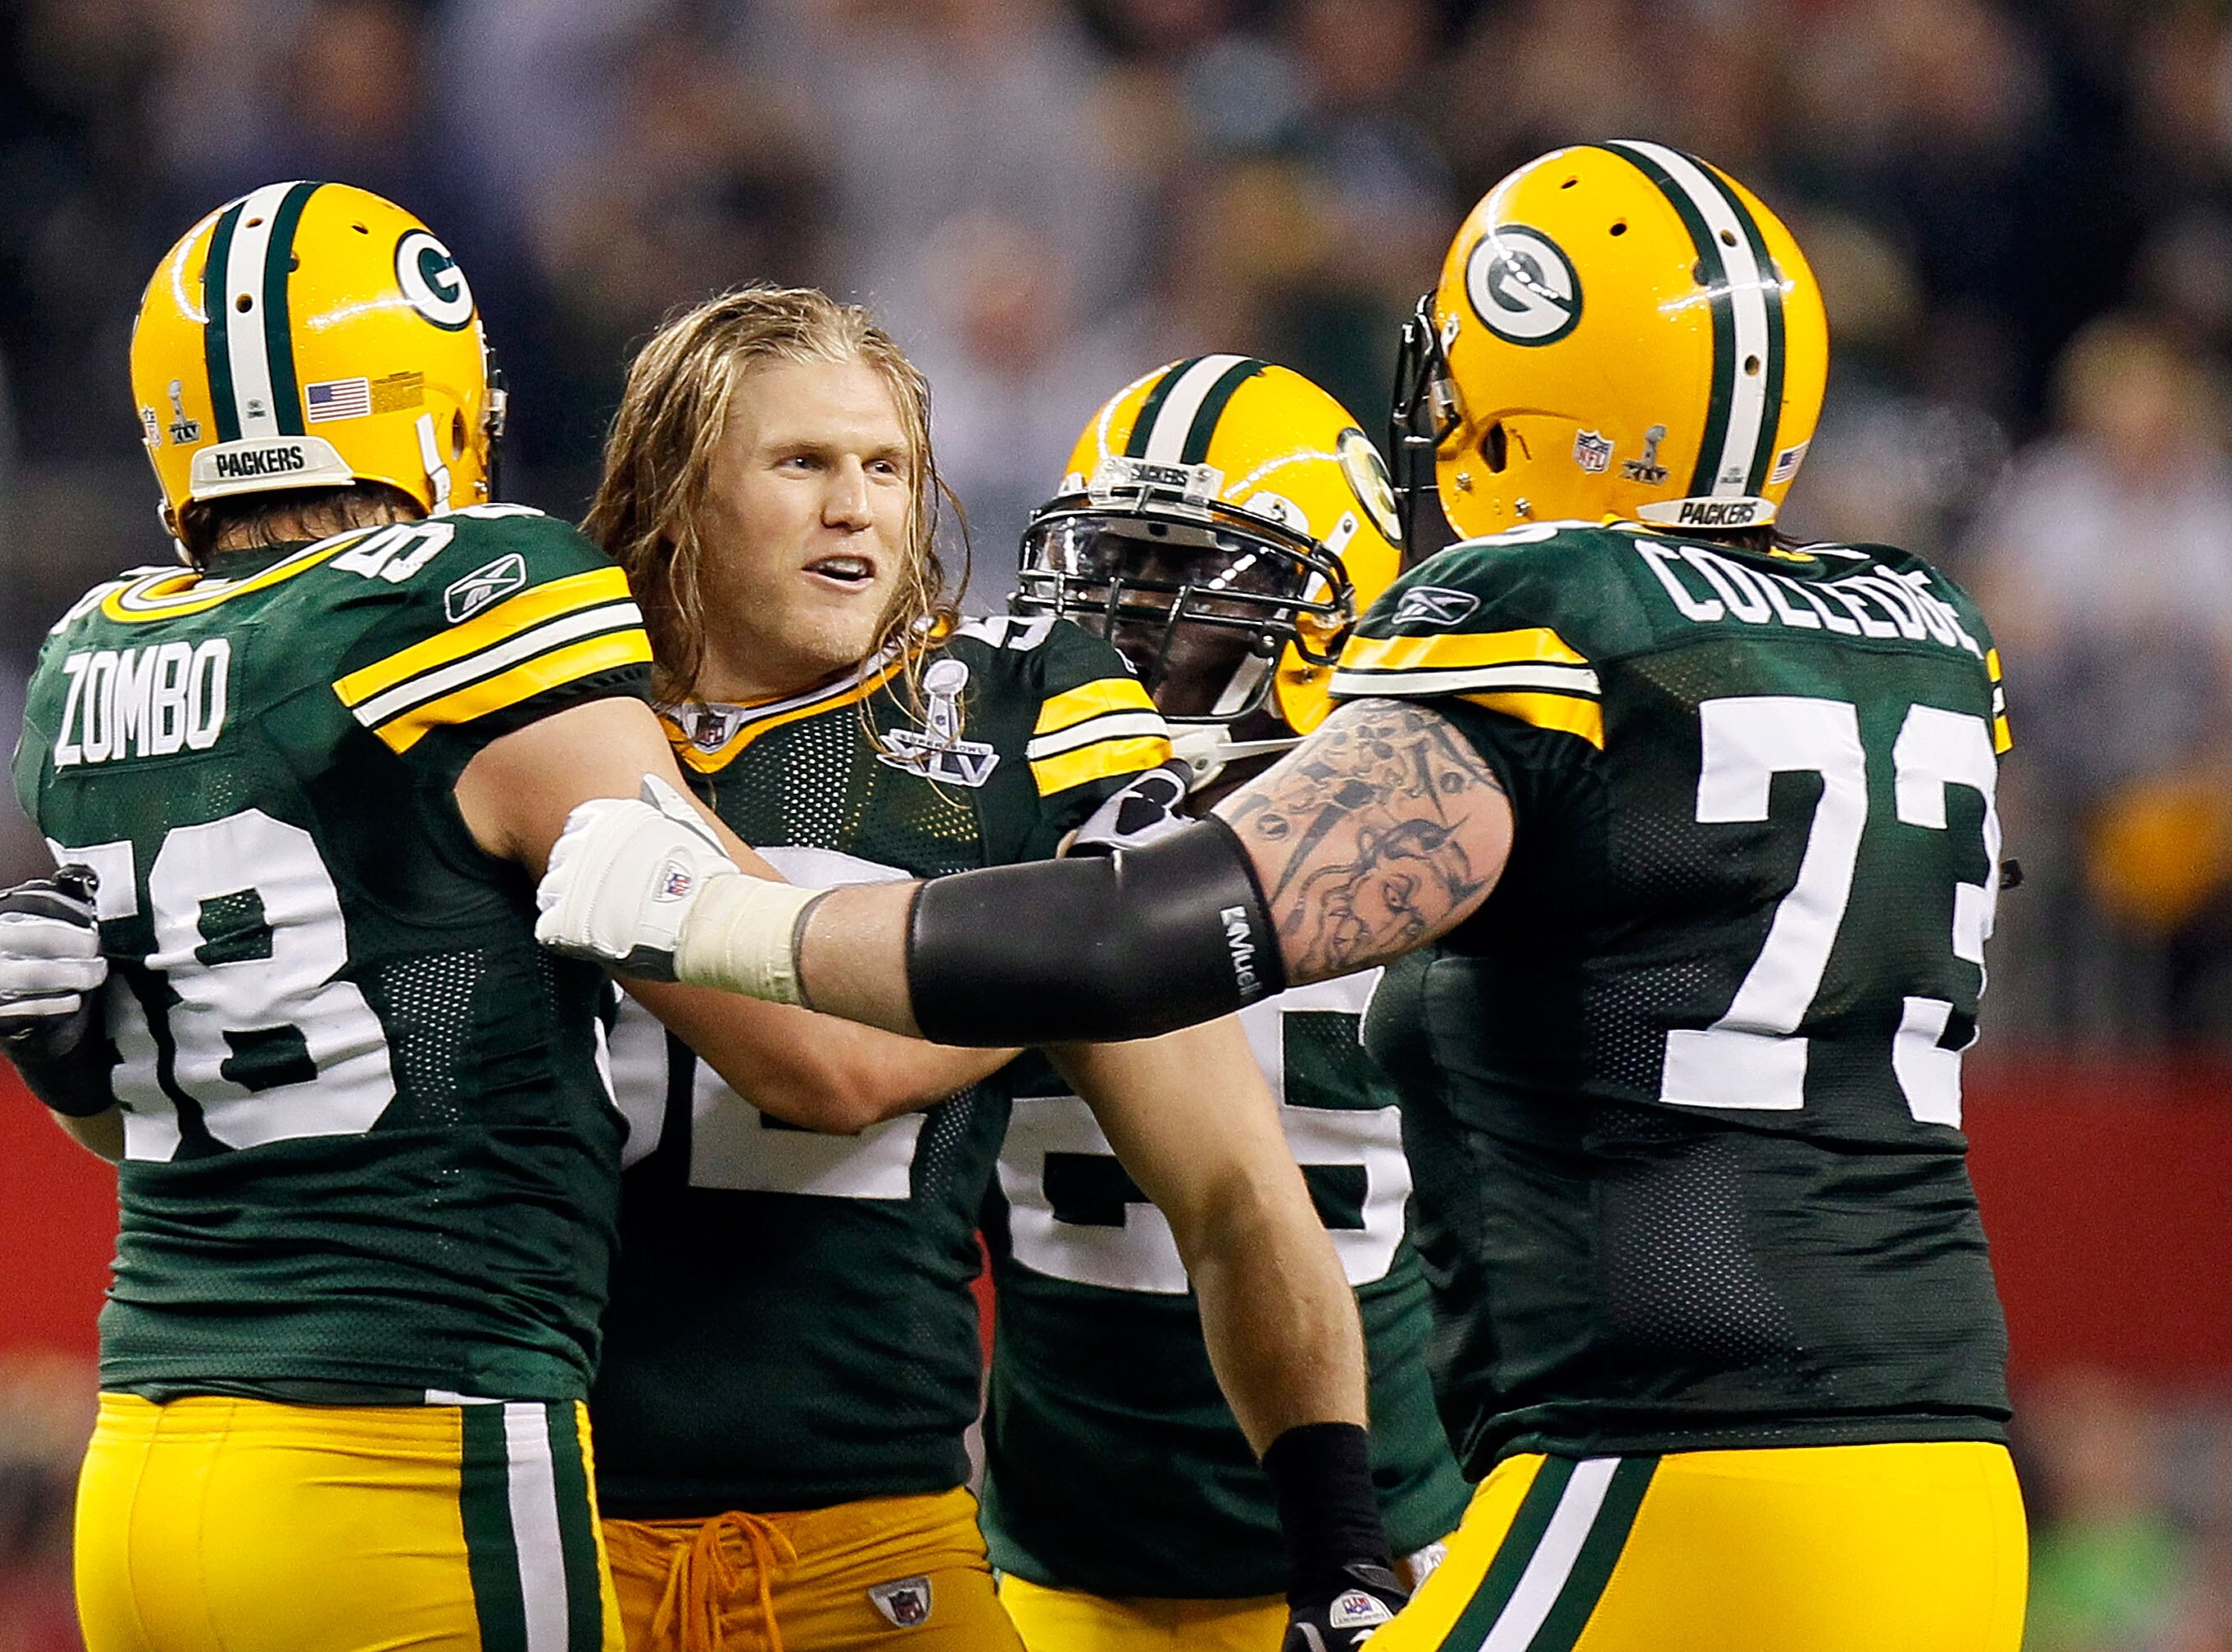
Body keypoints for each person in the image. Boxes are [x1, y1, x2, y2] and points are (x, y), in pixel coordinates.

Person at [535, 145, 2030, 1651]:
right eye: (1111, 573)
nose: (1132, 634)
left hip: (1668, 1440)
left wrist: (714, 915)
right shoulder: (1914, 626)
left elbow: (1128, 942)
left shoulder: (1541, 624)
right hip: (1936, 1434)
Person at [0, 184, 1052, 1652]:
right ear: (440, 402)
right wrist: (1076, 954)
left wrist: (65, 1059)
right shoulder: (483, 604)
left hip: (147, 1470)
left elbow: (185, 1106)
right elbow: (812, 1058)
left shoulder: (92, 661)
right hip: (407, 1450)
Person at [568, 289, 1397, 1652]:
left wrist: (1337, 1539)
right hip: (538, 1497)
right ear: (677, 488)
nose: (856, 509)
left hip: (872, 1524)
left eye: (885, 468)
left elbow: (1236, 1187)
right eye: (802, 464)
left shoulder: (1021, 719)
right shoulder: (537, 712)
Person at [981, 357, 1470, 1652]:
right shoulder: (999, 814)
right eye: (1109, 563)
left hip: (1389, 1547)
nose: (1128, 616)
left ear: (1330, 607)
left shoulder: (1434, 843)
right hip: (1050, 1561)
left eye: (1190, 568)